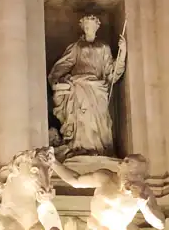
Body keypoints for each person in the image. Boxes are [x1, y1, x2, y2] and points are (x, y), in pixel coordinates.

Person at [53, 154, 165, 230]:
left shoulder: (144, 192)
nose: (133, 179)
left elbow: (159, 224)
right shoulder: (105, 178)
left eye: (138, 176)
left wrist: (144, 204)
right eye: (130, 174)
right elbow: (75, 180)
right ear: (121, 166)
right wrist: (53, 163)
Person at [48, 13, 125, 157]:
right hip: (79, 86)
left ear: (97, 27)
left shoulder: (104, 47)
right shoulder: (76, 47)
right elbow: (62, 65)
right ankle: (81, 148)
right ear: (83, 28)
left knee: (100, 119)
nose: (89, 29)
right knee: (82, 118)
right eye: (87, 26)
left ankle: (100, 149)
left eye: (92, 26)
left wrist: (123, 53)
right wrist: (59, 80)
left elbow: (111, 72)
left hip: (98, 88)